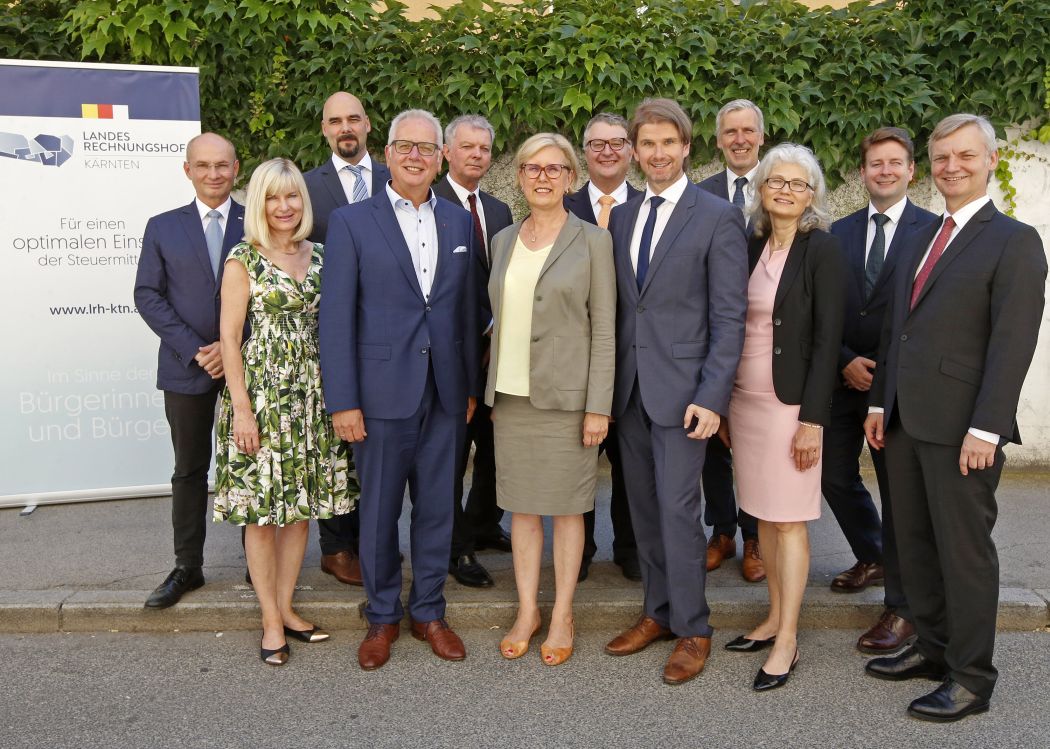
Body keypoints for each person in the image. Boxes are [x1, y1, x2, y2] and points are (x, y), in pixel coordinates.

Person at [864, 114, 1046, 722]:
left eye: (964, 156)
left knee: (964, 555)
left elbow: (1012, 342)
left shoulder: (1014, 241)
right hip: (905, 423)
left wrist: (987, 429)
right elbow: (898, 330)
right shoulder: (920, 234)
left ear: (990, 160)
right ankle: (934, 651)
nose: (951, 167)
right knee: (913, 546)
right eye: (942, 158)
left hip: (964, 429)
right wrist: (877, 404)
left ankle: (971, 678)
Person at [319, 109, 481, 671]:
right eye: (405, 147)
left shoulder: (459, 223)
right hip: (379, 396)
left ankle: (429, 611)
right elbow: (335, 319)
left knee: (438, 510)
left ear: (441, 158)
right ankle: (383, 615)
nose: (416, 157)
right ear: (387, 153)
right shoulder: (350, 222)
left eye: (427, 148)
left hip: (443, 394)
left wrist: (467, 388)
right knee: (380, 512)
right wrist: (342, 400)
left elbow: (462, 312)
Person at [604, 98, 748, 686]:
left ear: (687, 147)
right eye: (648, 144)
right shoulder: (621, 217)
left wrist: (713, 397)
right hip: (629, 392)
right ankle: (657, 613)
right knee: (642, 511)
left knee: (680, 510)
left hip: (686, 394)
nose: (658, 153)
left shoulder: (716, 216)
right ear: (634, 152)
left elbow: (729, 317)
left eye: (669, 143)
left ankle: (693, 627)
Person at [213, 158, 356, 665]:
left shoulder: (322, 255)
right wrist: (243, 412)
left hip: (313, 395)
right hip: (262, 397)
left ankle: (288, 606)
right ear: (259, 203)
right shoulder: (242, 259)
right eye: (272, 197)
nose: (284, 206)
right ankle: (271, 620)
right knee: (261, 512)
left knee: (299, 513)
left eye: (292, 196)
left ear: (303, 201)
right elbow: (230, 340)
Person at [488, 133, 616, 666]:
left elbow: (604, 328)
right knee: (521, 509)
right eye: (532, 168)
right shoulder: (502, 241)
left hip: (568, 400)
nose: (543, 177)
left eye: (555, 168)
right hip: (511, 396)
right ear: (519, 177)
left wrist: (598, 406)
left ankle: (562, 611)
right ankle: (526, 610)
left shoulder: (592, 241)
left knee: (567, 511)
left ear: (571, 177)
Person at [722, 143, 845, 692]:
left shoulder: (823, 250)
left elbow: (827, 342)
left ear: (812, 193)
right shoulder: (750, 246)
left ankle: (789, 638)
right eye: (777, 182)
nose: (787, 191)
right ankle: (772, 615)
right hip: (745, 399)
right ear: (762, 189)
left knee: (789, 518)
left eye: (798, 183)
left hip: (791, 405)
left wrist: (813, 420)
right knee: (764, 517)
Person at [825, 128, 935, 656]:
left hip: (899, 389)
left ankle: (901, 605)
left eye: (895, 163)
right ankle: (873, 554)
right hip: (843, 378)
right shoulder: (837, 233)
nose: (885, 171)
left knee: (901, 495)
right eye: (875, 163)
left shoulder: (935, 231)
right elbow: (822, 309)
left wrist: (883, 374)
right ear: (862, 172)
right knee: (829, 473)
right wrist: (845, 359)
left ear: (913, 170)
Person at [134, 132, 244, 609]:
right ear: (188, 170)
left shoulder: (258, 221)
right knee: (190, 469)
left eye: (222, 165)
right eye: (203, 166)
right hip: (187, 367)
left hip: (247, 364)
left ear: (236, 168)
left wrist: (232, 346)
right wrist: (198, 349)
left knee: (250, 464)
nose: (213, 174)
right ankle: (187, 567)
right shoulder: (163, 226)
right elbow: (147, 295)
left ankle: (257, 568)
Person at [303, 91, 391, 588]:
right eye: (334, 120)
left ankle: (372, 544)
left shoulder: (395, 180)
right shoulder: (307, 187)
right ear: (324, 130)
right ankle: (338, 548)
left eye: (353, 118)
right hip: (329, 330)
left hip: (386, 335)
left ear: (368, 124)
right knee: (335, 442)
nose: (345, 128)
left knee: (374, 443)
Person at [433, 114, 515, 589]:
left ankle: (484, 523)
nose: (477, 156)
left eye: (484, 149)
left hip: (496, 353)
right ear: (447, 152)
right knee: (453, 453)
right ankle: (455, 547)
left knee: (495, 448)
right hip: (454, 353)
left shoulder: (500, 210)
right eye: (467, 147)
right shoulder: (432, 204)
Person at [563, 112, 642, 583]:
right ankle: (583, 549)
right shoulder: (562, 205)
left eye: (617, 142)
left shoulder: (651, 205)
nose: (608, 151)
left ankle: (632, 548)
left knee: (631, 460)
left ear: (631, 150)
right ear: (584, 152)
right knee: (580, 458)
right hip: (577, 356)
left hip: (634, 353)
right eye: (597, 144)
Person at [697, 99, 767, 583]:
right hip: (712, 336)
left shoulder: (781, 186)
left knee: (755, 442)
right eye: (730, 132)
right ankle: (722, 529)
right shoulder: (700, 194)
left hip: (765, 338)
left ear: (761, 137)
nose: (739, 139)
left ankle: (756, 537)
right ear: (718, 140)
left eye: (748, 131)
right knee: (710, 442)